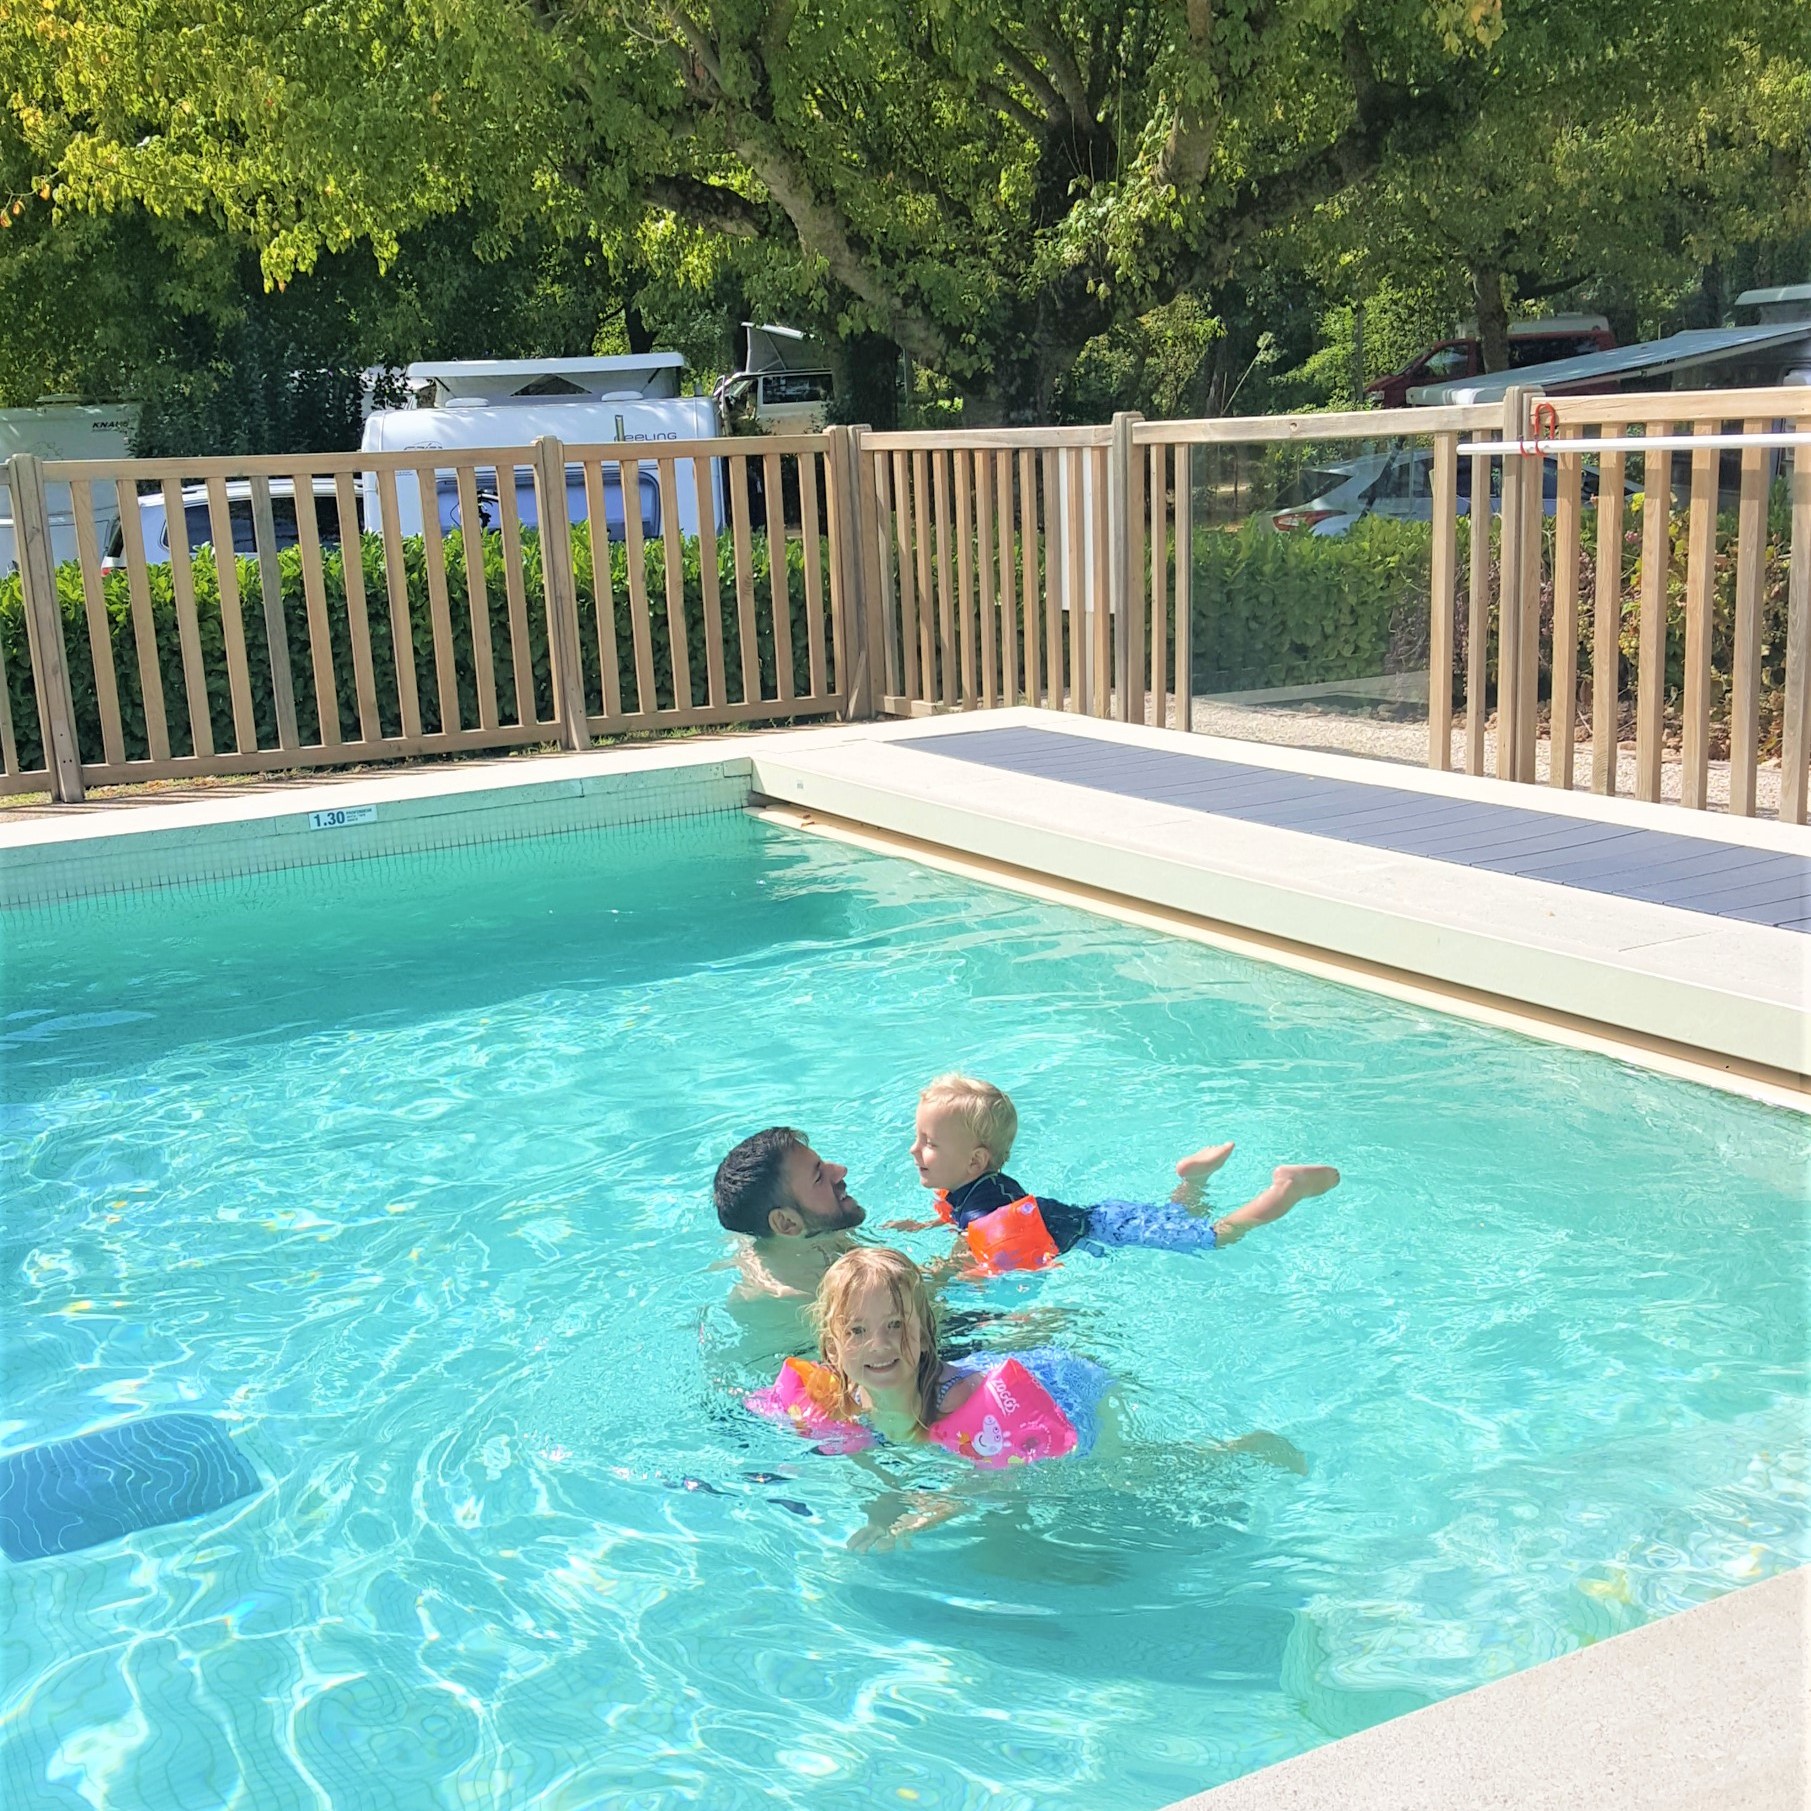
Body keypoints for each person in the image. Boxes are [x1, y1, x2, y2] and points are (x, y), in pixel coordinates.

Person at [746, 1246, 1306, 1550]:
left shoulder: (958, 1403)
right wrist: (884, 1515)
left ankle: (1235, 1452)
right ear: (831, 1346)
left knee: (1121, 1481)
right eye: (858, 1331)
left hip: (1058, 1391)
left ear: (927, 1331)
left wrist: (932, 1512)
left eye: (897, 1325)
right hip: (1003, 1385)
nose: (881, 1345)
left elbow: (993, 1480)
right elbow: (863, 1460)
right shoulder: (839, 1401)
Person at [888, 1073, 1340, 1272]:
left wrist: (939, 1273)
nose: (914, 1150)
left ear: (974, 1161)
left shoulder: (982, 1208)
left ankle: (1285, 1190)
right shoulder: (975, 1189)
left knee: (1216, 1237)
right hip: (1101, 1215)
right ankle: (1193, 1179)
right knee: (1178, 1219)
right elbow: (967, 1223)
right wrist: (928, 1225)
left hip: (1104, 1226)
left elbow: (976, 1250)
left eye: (929, 1143)